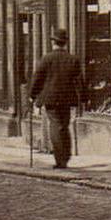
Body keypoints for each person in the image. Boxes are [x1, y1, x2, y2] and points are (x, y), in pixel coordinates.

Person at [28, 29, 83, 168]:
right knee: (64, 126)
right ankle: (66, 155)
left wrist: (32, 96)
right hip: (67, 98)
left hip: (50, 99)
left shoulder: (46, 59)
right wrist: (84, 98)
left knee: (55, 126)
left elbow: (37, 79)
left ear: (53, 43)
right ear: (65, 43)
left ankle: (60, 159)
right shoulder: (73, 59)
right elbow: (79, 81)